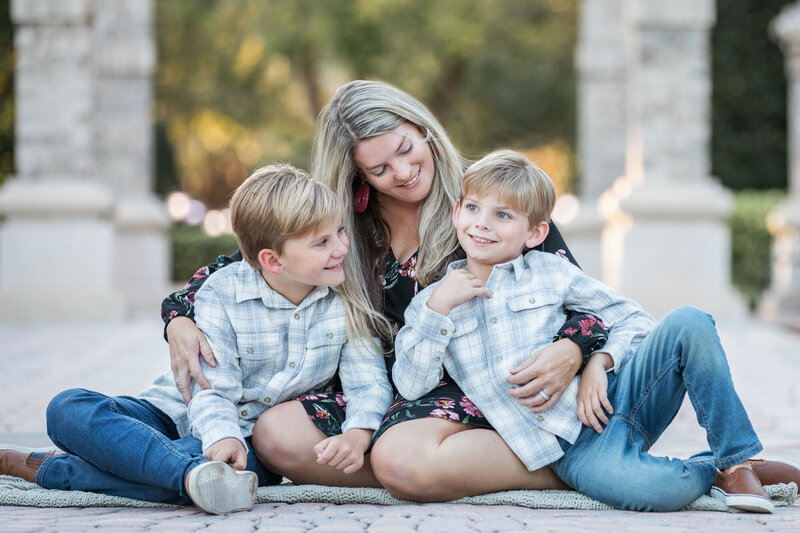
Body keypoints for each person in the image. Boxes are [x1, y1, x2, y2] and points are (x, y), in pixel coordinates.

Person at [161, 80, 609, 496]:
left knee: (406, 457)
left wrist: (573, 350)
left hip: (497, 383)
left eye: (406, 149)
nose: (404, 172)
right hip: (391, 395)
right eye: (379, 168)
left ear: (422, 127)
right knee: (276, 433)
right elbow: (251, 260)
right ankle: (435, 470)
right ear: (357, 175)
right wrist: (179, 315)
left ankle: (553, 466)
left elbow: (579, 295)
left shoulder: (488, 196)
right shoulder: (342, 225)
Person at [392, 149, 800, 512]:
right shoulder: (431, 302)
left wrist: (598, 361)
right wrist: (438, 309)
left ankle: (737, 459)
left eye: (503, 215)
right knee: (661, 492)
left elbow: (635, 319)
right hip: (572, 449)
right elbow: (411, 384)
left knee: (690, 321)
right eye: (474, 209)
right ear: (456, 211)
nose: (482, 225)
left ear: (535, 233)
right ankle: (713, 471)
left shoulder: (551, 271)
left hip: (622, 395)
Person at [0, 165, 392, 513]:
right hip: (175, 416)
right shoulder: (220, 293)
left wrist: (359, 432)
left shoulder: (346, 301)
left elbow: (367, 379)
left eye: (340, 231)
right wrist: (218, 438)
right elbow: (210, 389)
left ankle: (65, 468)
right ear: (273, 260)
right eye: (322, 242)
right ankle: (192, 477)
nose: (342, 247)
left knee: (205, 466)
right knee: (66, 408)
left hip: (250, 443)